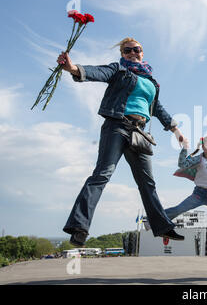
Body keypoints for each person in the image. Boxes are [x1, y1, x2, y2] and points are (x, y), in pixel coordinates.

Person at [57, 37, 185, 246]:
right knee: (102, 174)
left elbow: (157, 108)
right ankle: (79, 227)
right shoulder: (119, 70)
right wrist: (73, 68)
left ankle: (163, 227)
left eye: (137, 49)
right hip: (117, 126)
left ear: (142, 52)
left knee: (147, 183)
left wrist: (176, 130)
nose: (133, 53)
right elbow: (99, 72)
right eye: (128, 51)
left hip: (140, 133)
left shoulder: (151, 82)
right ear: (122, 54)